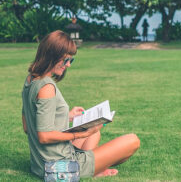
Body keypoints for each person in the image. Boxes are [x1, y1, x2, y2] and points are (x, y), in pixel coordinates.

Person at [21, 30, 140, 179]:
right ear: (52, 56)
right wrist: (79, 134)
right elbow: (44, 136)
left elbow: (28, 126)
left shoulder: (30, 80)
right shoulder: (47, 88)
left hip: (40, 164)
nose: (68, 65)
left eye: (71, 60)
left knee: (94, 132)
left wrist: (67, 115)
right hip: (58, 168)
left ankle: (92, 168)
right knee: (132, 141)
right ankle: (93, 170)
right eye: (65, 60)